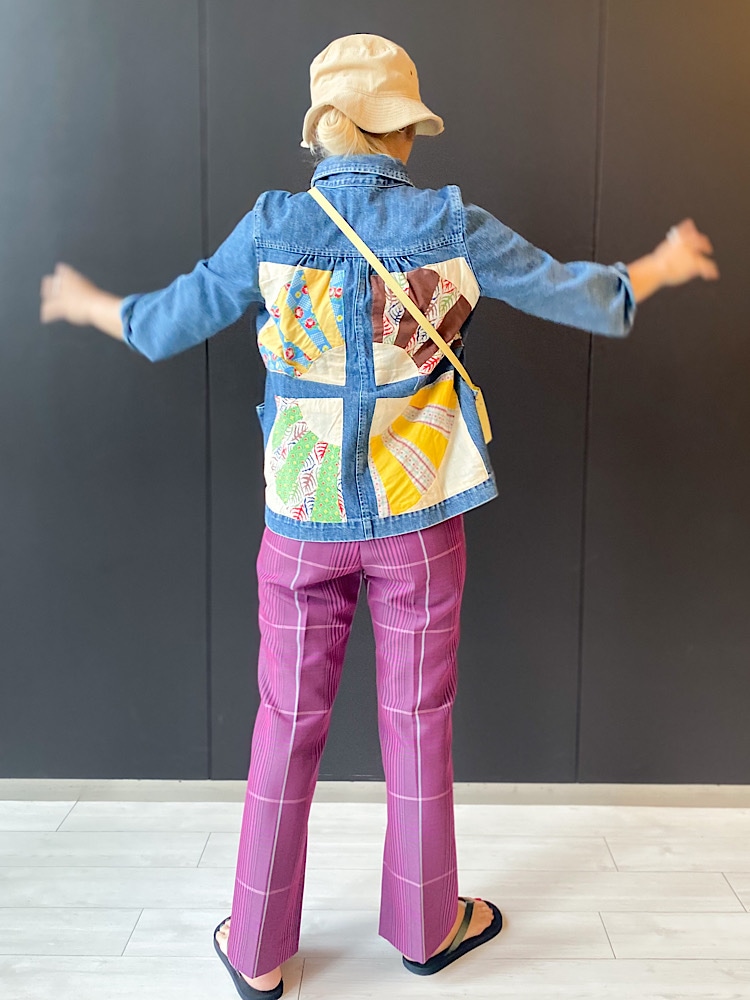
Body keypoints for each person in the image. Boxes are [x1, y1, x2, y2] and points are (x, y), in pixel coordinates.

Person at [39, 32, 718, 1000]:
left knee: (285, 721)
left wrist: (85, 303)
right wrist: (660, 264)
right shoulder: (452, 222)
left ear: (324, 130)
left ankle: (258, 949)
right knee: (417, 718)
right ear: (399, 131)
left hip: (300, 522)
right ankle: (427, 927)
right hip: (420, 519)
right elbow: (586, 298)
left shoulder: (271, 226)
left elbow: (161, 325)